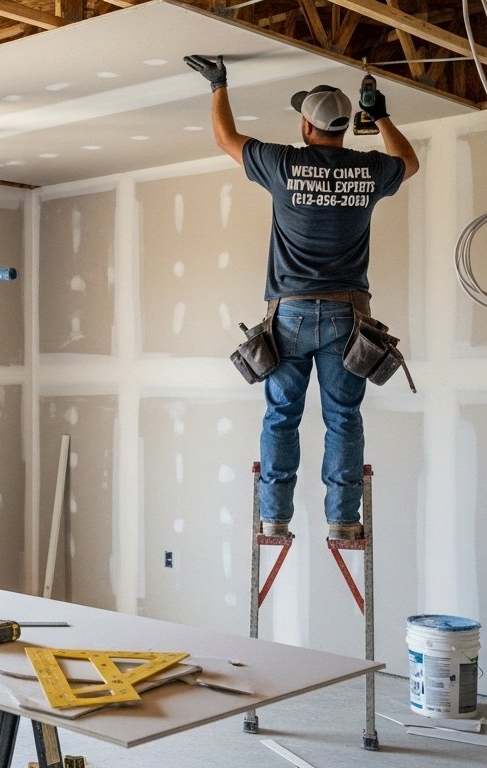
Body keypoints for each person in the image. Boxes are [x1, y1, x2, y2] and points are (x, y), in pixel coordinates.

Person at [186, 55, 420, 540]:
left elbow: (226, 138)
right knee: (343, 419)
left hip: (288, 315)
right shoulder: (368, 169)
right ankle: (343, 521)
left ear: (306, 127)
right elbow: (410, 162)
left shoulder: (284, 164)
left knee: (281, 418)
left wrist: (218, 83)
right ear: (343, 129)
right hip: (346, 317)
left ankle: (275, 516)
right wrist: (380, 116)